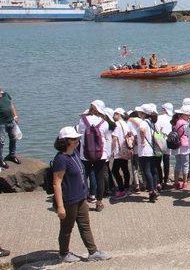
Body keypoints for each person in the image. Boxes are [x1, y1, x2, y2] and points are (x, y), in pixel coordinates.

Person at [53, 127, 110, 263]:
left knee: (85, 225)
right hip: (69, 199)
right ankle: (63, 254)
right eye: (74, 139)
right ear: (67, 141)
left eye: (77, 138)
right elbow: (57, 184)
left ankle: (93, 252)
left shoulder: (75, 153)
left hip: (80, 197)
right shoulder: (61, 159)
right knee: (67, 228)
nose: (78, 140)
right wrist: (60, 206)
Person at [77, 100, 109, 212]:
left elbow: (79, 134)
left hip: (85, 154)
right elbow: (106, 138)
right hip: (101, 154)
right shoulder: (104, 122)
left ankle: (82, 202)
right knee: (99, 178)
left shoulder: (83, 121)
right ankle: (99, 203)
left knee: (83, 177)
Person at [111, 108, 132, 200]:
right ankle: (127, 187)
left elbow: (114, 138)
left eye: (115, 114)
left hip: (119, 151)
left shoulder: (117, 124)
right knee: (125, 169)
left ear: (118, 114)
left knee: (114, 171)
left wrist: (111, 151)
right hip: (126, 149)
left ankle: (121, 190)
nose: (113, 116)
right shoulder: (125, 123)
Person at [171, 106, 190, 190]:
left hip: (176, 145)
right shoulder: (185, 123)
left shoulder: (175, 122)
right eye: (188, 115)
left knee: (178, 164)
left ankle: (176, 182)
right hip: (184, 145)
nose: (189, 116)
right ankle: (185, 182)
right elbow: (188, 134)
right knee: (185, 164)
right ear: (184, 115)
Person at [0, 86, 20, 168]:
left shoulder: (6, 95)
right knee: (1, 142)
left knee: (14, 138)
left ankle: (12, 155)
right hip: (1, 124)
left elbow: (11, 104)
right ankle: (0, 160)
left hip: (11, 121)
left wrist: (15, 115)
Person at [155, 103, 173, 189]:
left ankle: (159, 181)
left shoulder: (159, 118)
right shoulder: (172, 118)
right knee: (167, 161)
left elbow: (157, 131)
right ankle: (166, 180)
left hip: (159, 141)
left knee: (158, 161)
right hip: (169, 141)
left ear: (164, 110)